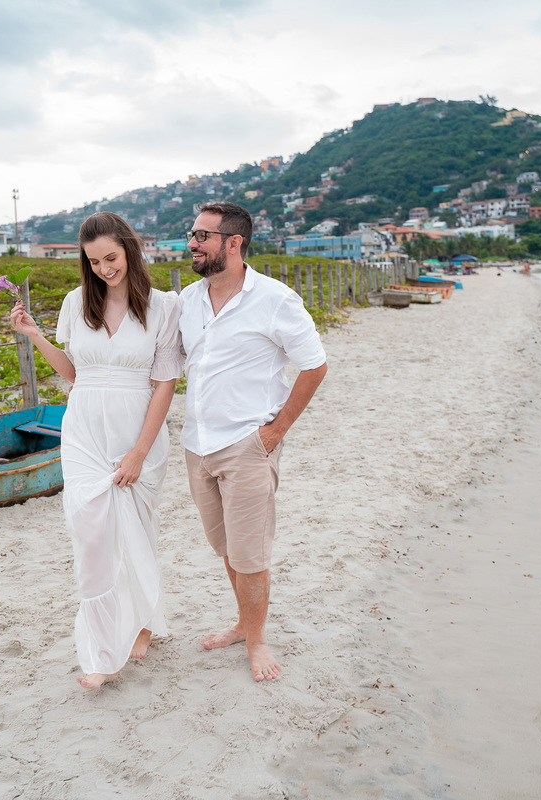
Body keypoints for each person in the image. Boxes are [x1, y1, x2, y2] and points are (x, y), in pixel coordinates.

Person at [9, 211, 182, 690]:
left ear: (129, 248)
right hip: (83, 428)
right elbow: (74, 372)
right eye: (94, 261)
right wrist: (36, 336)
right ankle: (102, 653)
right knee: (89, 528)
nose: (104, 268)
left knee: (137, 529)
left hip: (136, 430)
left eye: (111, 257)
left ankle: (142, 622)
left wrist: (139, 452)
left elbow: (165, 383)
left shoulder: (164, 306)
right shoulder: (75, 302)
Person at [178, 202, 327, 682]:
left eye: (202, 236)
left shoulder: (275, 299)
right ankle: (244, 624)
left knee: (251, 554)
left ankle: (258, 640)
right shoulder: (187, 301)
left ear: (234, 242)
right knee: (227, 547)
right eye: (191, 234)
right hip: (197, 445)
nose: (192, 243)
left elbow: (314, 365)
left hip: (247, 445)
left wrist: (275, 431)